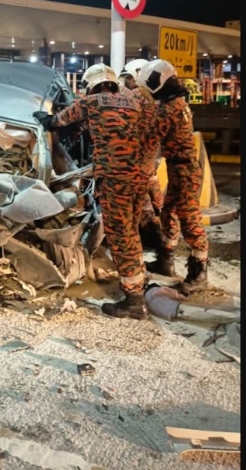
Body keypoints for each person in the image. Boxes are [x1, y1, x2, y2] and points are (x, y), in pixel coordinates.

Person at [34, 63, 156, 320]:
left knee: (120, 237)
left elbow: (58, 121)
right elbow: (149, 134)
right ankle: (138, 282)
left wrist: (45, 119)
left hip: (115, 179)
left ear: (91, 85)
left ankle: (134, 302)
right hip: (138, 178)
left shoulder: (90, 102)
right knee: (131, 232)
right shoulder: (135, 103)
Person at [135, 59, 210, 292]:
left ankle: (199, 272)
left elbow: (148, 139)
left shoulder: (169, 109)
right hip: (179, 168)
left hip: (184, 170)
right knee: (169, 213)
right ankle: (165, 261)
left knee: (190, 220)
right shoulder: (177, 102)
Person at [119, 59, 172, 275]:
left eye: (129, 78)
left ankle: (135, 267)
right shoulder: (159, 101)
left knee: (132, 214)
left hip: (134, 167)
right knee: (153, 208)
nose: (127, 82)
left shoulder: (134, 97)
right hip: (150, 165)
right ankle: (164, 254)